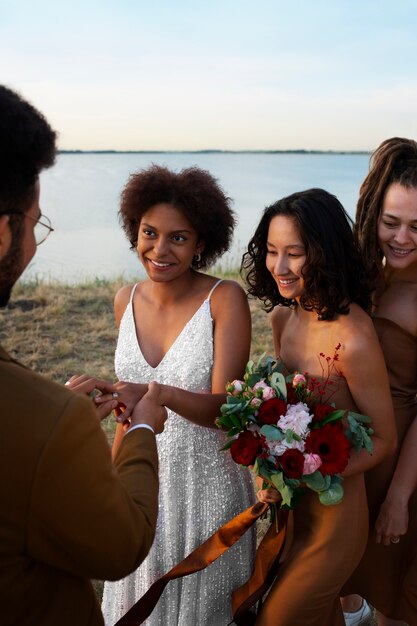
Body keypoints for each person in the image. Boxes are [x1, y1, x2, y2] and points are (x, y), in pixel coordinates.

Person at [0, 84, 166, 626]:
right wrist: (139, 432)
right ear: (4, 231)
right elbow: (119, 547)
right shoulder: (41, 421)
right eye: (33, 222)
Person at [98, 165, 256, 626]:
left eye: (178, 238)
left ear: (202, 242)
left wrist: (158, 393)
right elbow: (128, 415)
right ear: (134, 229)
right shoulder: (124, 300)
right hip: (139, 480)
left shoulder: (225, 299)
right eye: (150, 233)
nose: (159, 250)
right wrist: (111, 483)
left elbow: (229, 411)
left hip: (206, 489)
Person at [241, 188, 396, 626]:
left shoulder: (355, 337)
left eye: (295, 253)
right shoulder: (281, 319)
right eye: (272, 251)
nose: (280, 267)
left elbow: (384, 440)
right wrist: (269, 471)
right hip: (291, 509)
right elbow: (284, 411)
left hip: (337, 519)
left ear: (324, 253)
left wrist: (307, 473)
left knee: (276, 618)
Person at [341, 138, 417, 626]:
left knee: (396, 593)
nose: (403, 238)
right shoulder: (361, 275)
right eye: (391, 223)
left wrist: (398, 498)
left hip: (405, 464)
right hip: (352, 454)